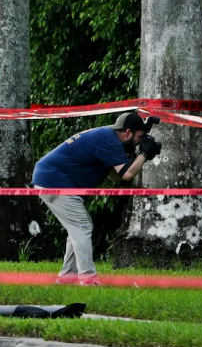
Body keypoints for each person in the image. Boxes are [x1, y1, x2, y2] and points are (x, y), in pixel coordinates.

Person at [31, 112, 162, 285]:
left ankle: (67, 278)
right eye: (139, 138)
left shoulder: (108, 138)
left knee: (78, 228)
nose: (139, 142)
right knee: (82, 226)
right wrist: (143, 155)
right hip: (53, 180)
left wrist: (139, 156)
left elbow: (115, 177)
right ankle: (88, 279)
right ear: (128, 132)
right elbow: (126, 174)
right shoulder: (109, 140)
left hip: (49, 178)